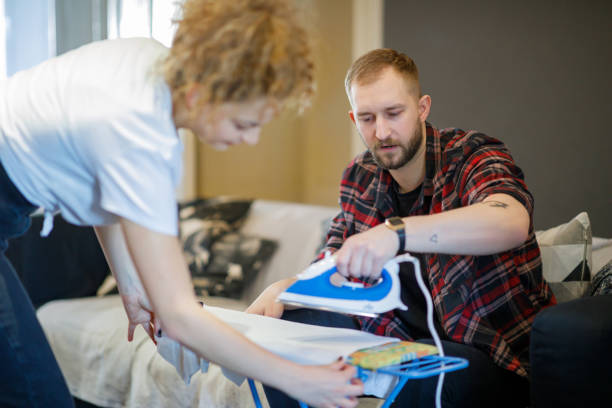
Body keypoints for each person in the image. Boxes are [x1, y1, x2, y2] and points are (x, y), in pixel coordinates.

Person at [0, 1, 364, 407]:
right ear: (198, 94)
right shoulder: (141, 131)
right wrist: (300, 379)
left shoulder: (146, 62)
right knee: (35, 395)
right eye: (244, 124)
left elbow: (103, 187)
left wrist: (130, 285)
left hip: (9, 205)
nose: (252, 140)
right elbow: (180, 316)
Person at [247, 48, 557, 407]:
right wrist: (287, 288)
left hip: (493, 358)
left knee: (417, 367)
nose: (382, 132)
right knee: (292, 333)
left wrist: (397, 232)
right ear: (353, 118)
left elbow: (510, 220)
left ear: (422, 108)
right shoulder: (359, 176)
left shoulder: (473, 154)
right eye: (367, 118)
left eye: (394, 114)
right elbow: (333, 260)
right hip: (392, 342)